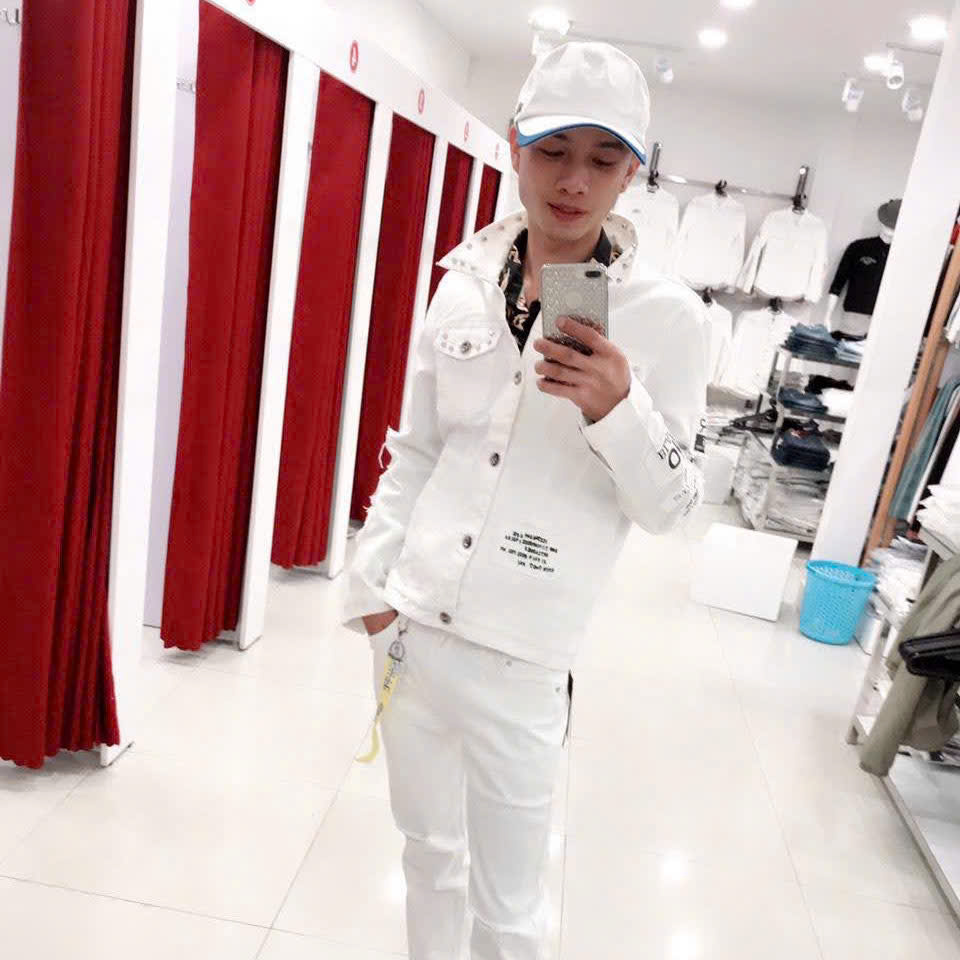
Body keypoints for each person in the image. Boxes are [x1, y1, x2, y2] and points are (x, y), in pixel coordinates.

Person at [343, 41, 708, 960]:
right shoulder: (463, 280)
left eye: (602, 159)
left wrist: (620, 409)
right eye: (553, 150)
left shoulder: (668, 319)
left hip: (524, 657)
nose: (573, 181)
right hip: (412, 626)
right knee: (426, 857)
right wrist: (373, 590)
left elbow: (673, 508)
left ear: (633, 173)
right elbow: (417, 446)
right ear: (514, 143)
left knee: (508, 909)